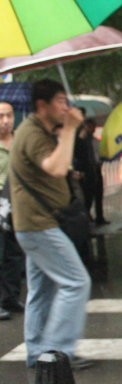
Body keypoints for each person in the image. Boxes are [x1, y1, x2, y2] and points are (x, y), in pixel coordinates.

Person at [10, 79, 92, 369]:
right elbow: (56, 168)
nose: (65, 106)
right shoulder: (32, 133)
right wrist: (69, 129)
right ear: (41, 105)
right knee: (76, 282)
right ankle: (59, 353)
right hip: (38, 225)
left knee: (42, 291)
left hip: (36, 224)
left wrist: (67, 131)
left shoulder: (39, 131)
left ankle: (37, 352)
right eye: (59, 101)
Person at [0, 100, 25, 321]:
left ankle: (11, 297)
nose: (6, 121)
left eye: (9, 115)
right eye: (1, 116)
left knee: (14, 254)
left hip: (18, 203)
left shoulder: (20, 141)